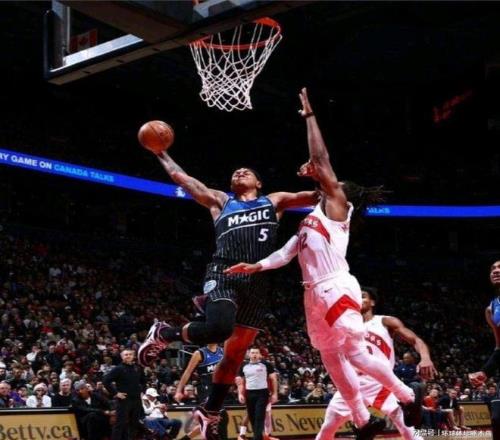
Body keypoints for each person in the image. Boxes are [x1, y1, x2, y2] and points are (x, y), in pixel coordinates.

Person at [225, 88, 420, 440]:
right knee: (330, 356)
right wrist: (256, 266)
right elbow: (286, 253)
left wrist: (310, 117)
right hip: (312, 293)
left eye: (333, 183)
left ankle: (407, 395)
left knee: (354, 353)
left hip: (335, 284)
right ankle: (363, 420)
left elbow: (321, 157)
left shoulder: (338, 208)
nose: (329, 182)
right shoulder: (310, 220)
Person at [138, 117, 318, 440]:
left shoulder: (274, 201)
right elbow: (184, 179)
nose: (239, 173)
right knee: (220, 328)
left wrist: (317, 173)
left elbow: (322, 196)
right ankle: (164, 332)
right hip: (224, 273)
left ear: (259, 183)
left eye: (246, 172)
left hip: (257, 283)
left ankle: (210, 411)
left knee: (233, 356)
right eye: (235, 172)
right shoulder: (221, 201)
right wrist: (161, 153)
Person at [308, 287, 436, 440]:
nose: (358, 299)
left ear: (372, 302)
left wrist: (425, 357)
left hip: (381, 383)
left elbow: (415, 340)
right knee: (327, 428)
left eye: (363, 296)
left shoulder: (385, 321)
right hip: (352, 384)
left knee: (407, 429)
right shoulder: (344, 327)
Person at [175, 344, 228, 440]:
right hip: (205, 389)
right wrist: (179, 390)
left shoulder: (222, 351)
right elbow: (187, 372)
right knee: (221, 416)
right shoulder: (199, 353)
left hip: (218, 389)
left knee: (210, 421)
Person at [236, 347, 278, 440]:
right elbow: (240, 382)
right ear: (249, 354)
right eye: (252, 353)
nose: (254, 354)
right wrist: (240, 394)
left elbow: (274, 379)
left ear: (259, 354)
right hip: (249, 393)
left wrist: (275, 393)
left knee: (259, 416)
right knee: (251, 416)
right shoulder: (243, 365)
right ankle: (256, 436)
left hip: (262, 393)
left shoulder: (266, 364)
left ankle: (259, 437)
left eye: (256, 353)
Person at [103, 348, 146, 440]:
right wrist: (116, 393)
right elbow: (106, 381)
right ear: (122, 357)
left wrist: (143, 392)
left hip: (137, 399)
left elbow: (144, 381)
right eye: (126, 355)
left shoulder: (138, 367)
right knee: (120, 423)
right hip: (124, 400)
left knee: (134, 423)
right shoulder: (118, 368)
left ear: (133, 356)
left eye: (130, 354)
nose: (128, 356)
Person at [469, 260, 500, 386]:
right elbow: (499, 348)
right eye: (493, 268)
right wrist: (485, 372)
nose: (495, 271)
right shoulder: (491, 309)